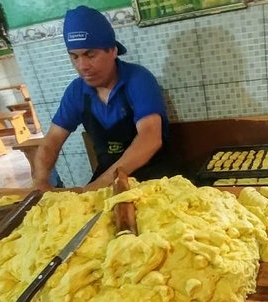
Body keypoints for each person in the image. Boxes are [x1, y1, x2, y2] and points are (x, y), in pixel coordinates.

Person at [32, 5, 175, 191]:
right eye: (74, 57)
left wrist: (97, 186)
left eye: (90, 55)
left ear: (113, 51)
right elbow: (52, 140)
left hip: (154, 175)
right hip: (107, 176)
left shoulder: (138, 79)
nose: (82, 66)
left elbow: (150, 138)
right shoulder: (76, 91)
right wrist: (41, 179)